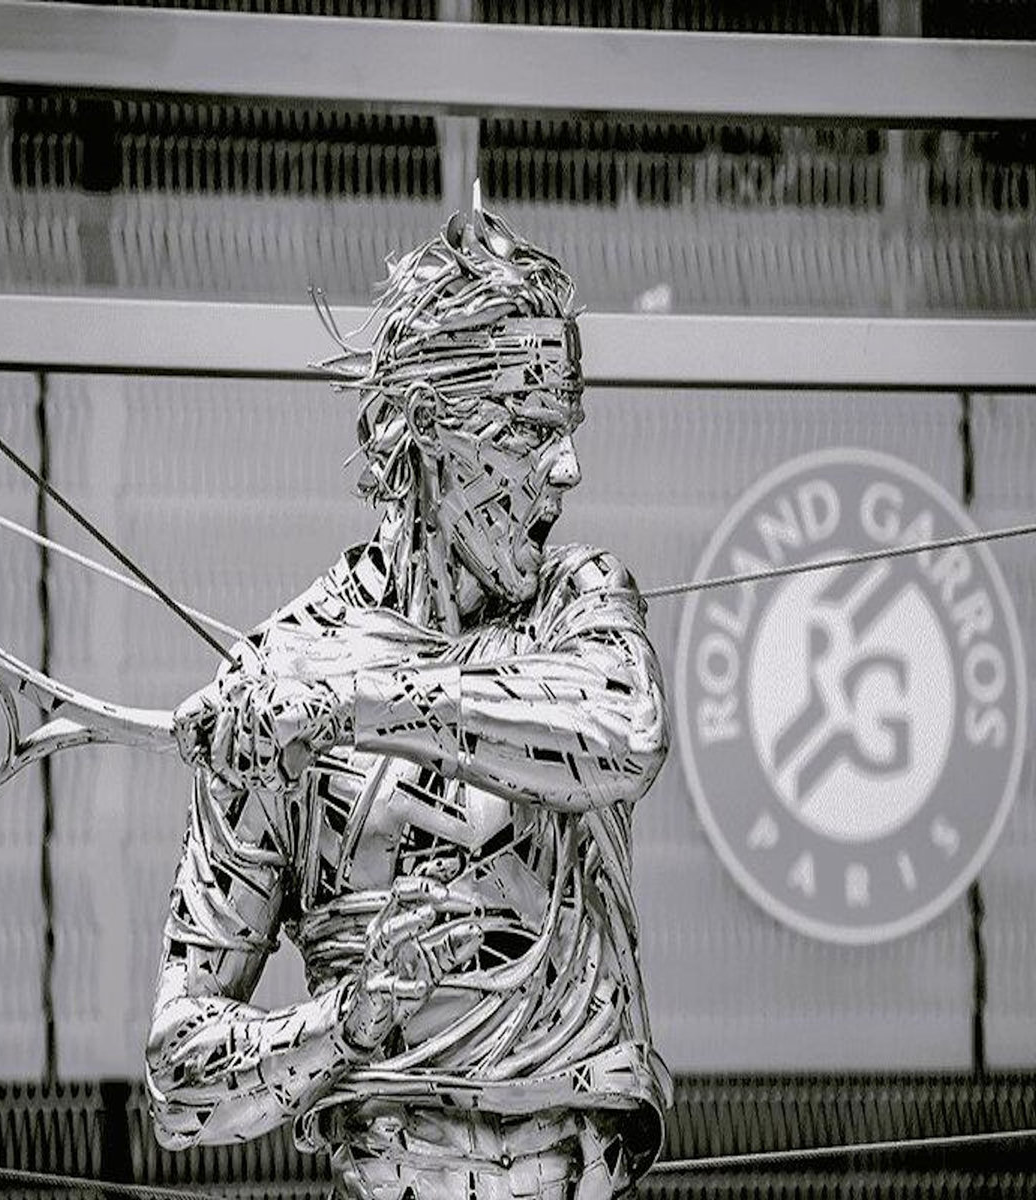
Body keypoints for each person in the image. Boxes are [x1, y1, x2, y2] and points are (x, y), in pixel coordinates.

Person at [146, 197, 671, 1199]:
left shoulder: (578, 600)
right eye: (528, 428)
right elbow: (179, 1078)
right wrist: (345, 1021)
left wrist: (348, 703)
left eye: (568, 425)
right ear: (431, 424)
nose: (567, 467)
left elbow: (623, 728)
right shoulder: (282, 672)